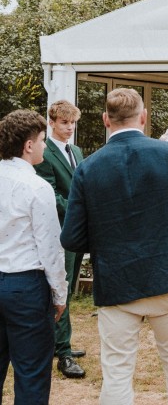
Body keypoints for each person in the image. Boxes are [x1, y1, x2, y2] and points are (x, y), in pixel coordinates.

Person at [61, 88, 168, 405]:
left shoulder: (88, 167)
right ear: (143, 118)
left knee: (116, 373)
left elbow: (72, 238)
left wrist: (107, 245)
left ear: (105, 120)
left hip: (116, 280)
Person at [0, 110, 68, 404]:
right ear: (28, 145)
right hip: (25, 287)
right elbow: (50, 247)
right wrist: (60, 293)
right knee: (31, 373)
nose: (44, 146)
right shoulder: (37, 187)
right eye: (42, 140)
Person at [33, 100, 86, 379]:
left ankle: (59, 342)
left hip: (75, 231)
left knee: (70, 288)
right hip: (58, 230)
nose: (70, 128)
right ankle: (63, 352)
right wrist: (80, 211)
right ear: (52, 122)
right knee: (60, 289)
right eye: (64, 123)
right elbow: (49, 195)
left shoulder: (75, 150)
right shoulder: (45, 153)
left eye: (73, 123)